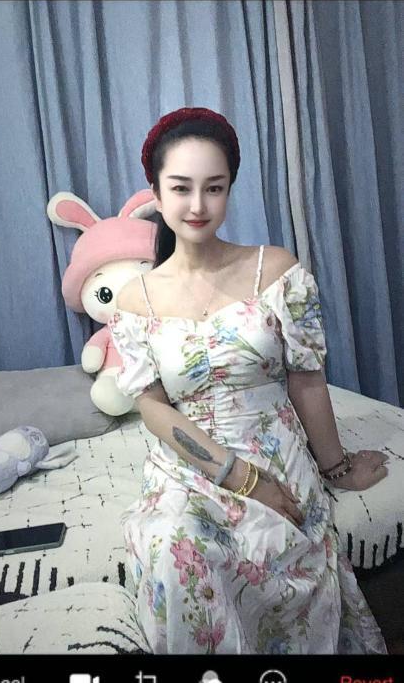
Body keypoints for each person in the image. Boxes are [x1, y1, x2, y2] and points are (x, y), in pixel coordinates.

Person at [108, 107, 389, 654]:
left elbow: (307, 381)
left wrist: (336, 467)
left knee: (276, 547)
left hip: (275, 448)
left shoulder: (277, 270)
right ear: (156, 194)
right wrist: (240, 477)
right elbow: (153, 406)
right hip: (188, 466)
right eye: (181, 188)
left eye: (214, 188)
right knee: (173, 547)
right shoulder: (134, 299)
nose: (197, 205)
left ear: (229, 190)